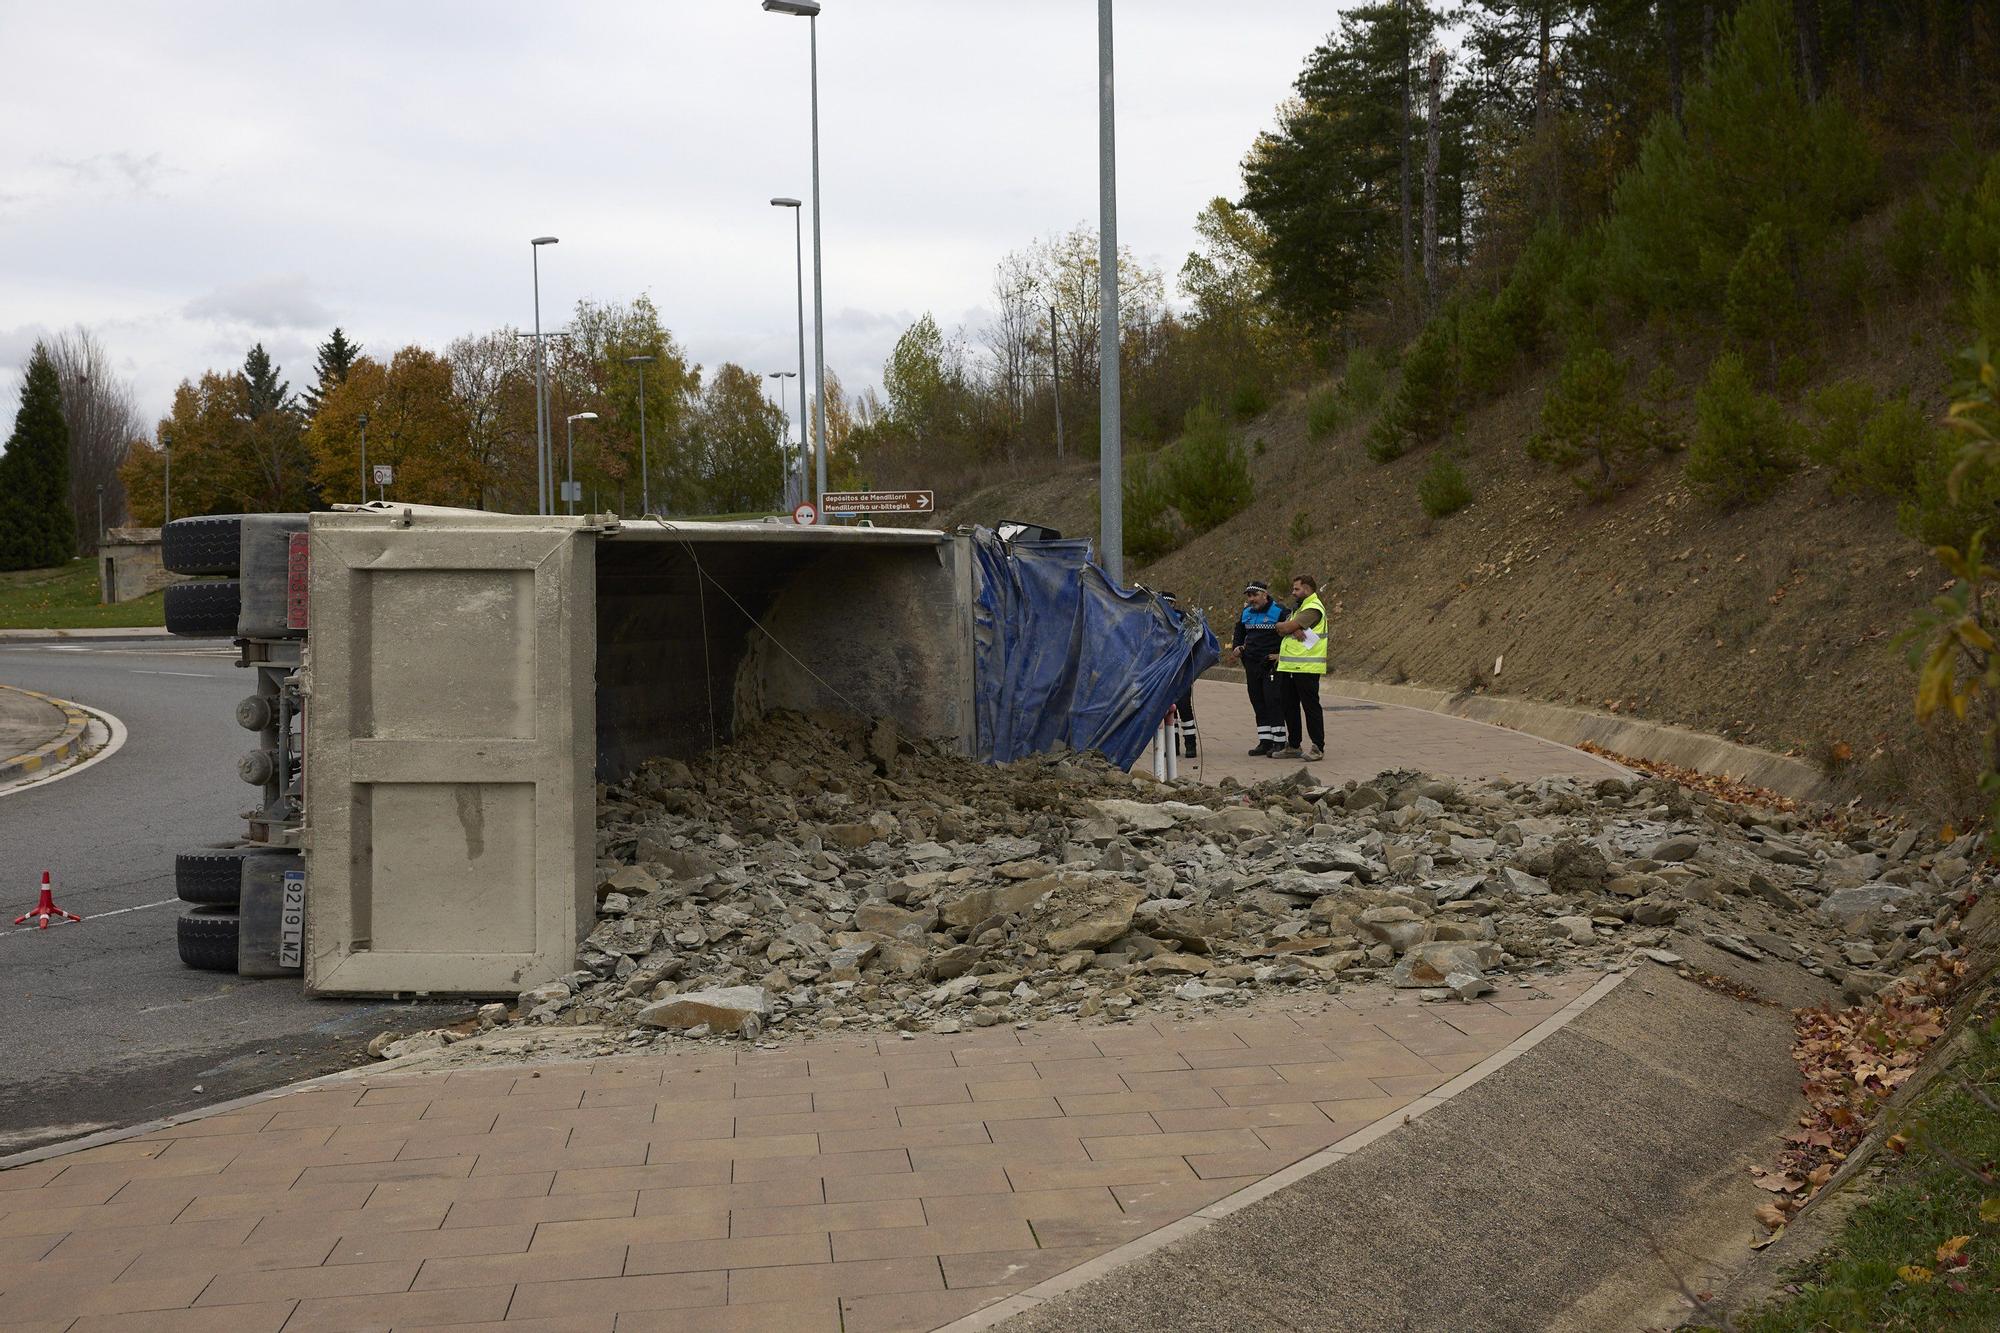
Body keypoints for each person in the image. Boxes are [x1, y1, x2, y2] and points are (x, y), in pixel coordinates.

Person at [1222, 580, 1288, 756]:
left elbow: (1290, 635)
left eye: (1255, 595)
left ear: (1265, 594)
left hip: (1271, 664)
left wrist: (1281, 655)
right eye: (1249, 596)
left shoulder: (1280, 611)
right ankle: (1265, 742)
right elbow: (1239, 631)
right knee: (1257, 701)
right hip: (1251, 664)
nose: (1251, 599)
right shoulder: (1246, 612)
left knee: (1273, 701)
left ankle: (1279, 742)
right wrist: (1237, 646)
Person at [1271, 573, 1328, 761]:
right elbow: (1283, 629)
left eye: (1296, 589)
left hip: (1306, 667)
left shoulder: (1313, 607)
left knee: (1310, 708)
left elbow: (1285, 628)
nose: (1293, 592)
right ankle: (1294, 745)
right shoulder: (1300, 607)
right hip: (1290, 665)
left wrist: (1287, 626)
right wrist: (1289, 626)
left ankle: (1318, 747)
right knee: (1289, 706)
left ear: (1307, 589)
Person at [1157, 591, 1197, 758]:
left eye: (1169, 603)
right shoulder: (1155, 621)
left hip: (1182, 671)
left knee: (1184, 707)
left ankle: (1191, 744)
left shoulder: (1185, 621)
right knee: (1167, 708)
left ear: (1173, 604)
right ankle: (1173, 745)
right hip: (1163, 672)